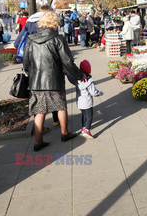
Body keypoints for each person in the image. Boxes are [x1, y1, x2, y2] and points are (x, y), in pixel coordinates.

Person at [23, 11, 85, 151]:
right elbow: (68, 62)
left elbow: (26, 63)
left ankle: (38, 142)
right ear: (54, 23)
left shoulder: (31, 39)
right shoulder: (58, 39)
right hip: (54, 80)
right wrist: (80, 75)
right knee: (61, 106)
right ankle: (65, 133)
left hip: (36, 82)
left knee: (40, 111)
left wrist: (31, 74)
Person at [66, 60, 103, 139]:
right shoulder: (89, 80)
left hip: (80, 102)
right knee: (89, 117)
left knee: (83, 115)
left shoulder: (76, 79)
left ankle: (83, 127)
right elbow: (93, 92)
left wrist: (67, 73)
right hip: (87, 103)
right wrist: (100, 93)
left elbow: (70, 78)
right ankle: (87, 130)